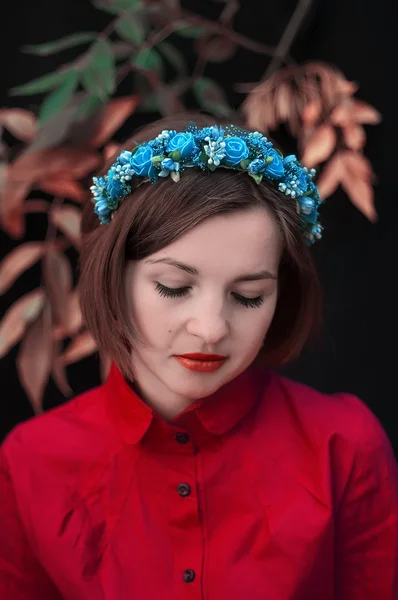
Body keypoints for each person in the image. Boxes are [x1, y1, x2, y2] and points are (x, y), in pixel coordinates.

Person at [0, 112, 397, 600]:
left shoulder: (345, 447)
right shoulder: (31, 463)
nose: (210, 330)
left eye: (249, 296)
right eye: (173, 287)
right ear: (112, 274)